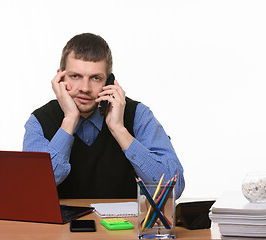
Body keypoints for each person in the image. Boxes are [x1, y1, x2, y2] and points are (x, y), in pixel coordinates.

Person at [23, 33, 185, 199]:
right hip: (61, 225)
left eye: (95, 78)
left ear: (108, 82)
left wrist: (119, 129)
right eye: (75, 76)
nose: (85, 88)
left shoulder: (138, 115)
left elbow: (172, 190)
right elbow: (34, 189)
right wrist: (70, 119)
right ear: (60, 77)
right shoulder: (39, 122)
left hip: (125, 225)